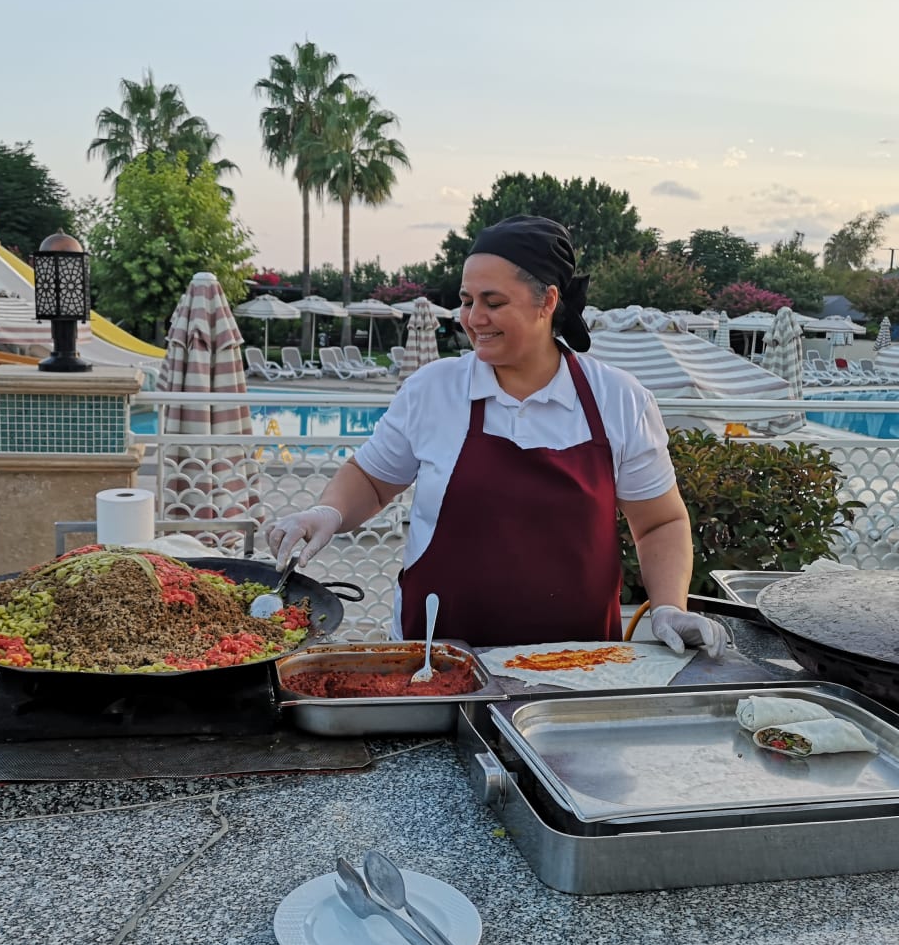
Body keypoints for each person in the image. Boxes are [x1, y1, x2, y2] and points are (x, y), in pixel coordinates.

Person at [263, 215, 726, 657]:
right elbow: (371, 479)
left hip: (578, 666)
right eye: (467, 301)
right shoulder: (433, 389)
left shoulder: (619, 399)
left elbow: (659, 522)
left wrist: (669, 606)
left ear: (547, 301)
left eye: (494, 302)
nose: (473, 318)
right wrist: (328, 511)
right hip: (436, 659)